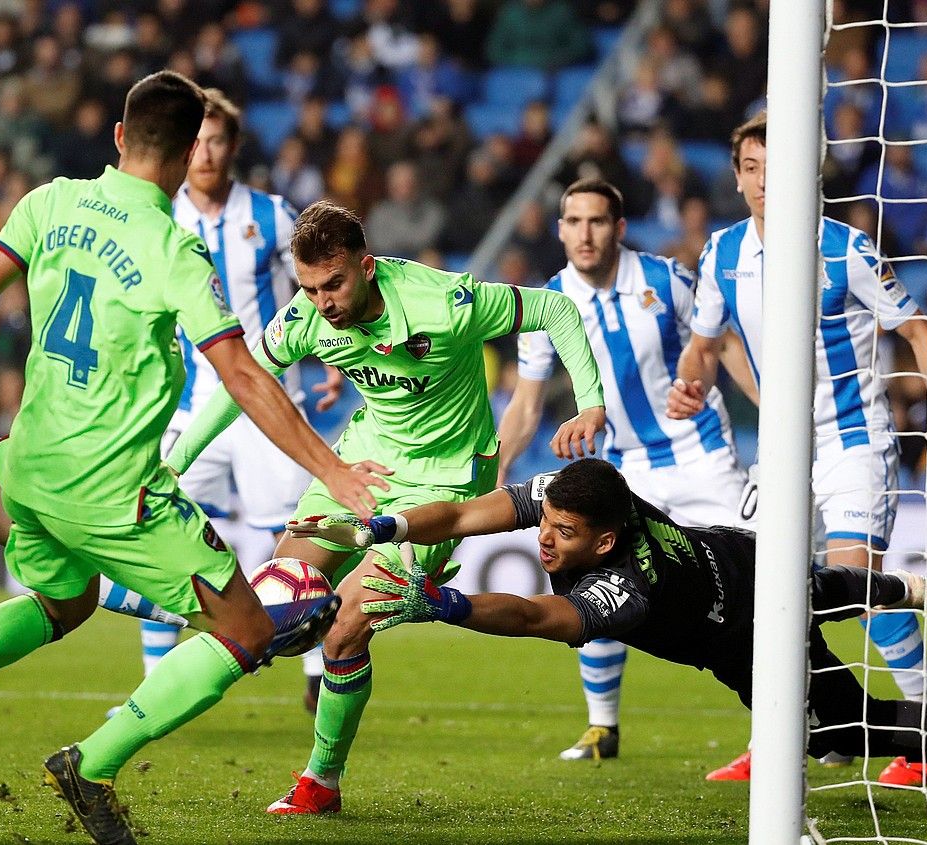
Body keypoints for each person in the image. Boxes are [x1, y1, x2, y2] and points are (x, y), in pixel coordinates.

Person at [0, 72, 388, 844]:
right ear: (189, 150)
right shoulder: (174, 250)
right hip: (113, 490)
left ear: (121, 136)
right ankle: (91, 763)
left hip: (25, 471)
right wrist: (333, 472)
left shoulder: (49, 202)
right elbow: (240, 372)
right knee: (245, 631)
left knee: (67, 602)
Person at [292, 459, 927, 821]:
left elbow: (545, 619)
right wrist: (387, 524)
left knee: (842, 726)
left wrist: (444, 601)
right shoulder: (586, 492)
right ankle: (897, 587)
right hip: (743, 554)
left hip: (744, 629)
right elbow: (470, 511)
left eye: (564, 534)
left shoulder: (627, 589)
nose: (546, 539)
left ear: (606, 542)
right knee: (816, 586)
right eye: (546, 523)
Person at [163, 199, 607, 814]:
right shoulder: (307, 318)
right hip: (365, 467)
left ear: (367, 267)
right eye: (310, 288)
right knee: (277, 591)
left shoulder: (444, 302)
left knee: (346, 628)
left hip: (446, 483)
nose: (324, 303)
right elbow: (243, 381)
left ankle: (321, 782)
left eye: (334, 284)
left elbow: (554, 308)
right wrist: (178, 460)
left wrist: (588, 400)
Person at [667, 111, 927, 788]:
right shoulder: (721, 254)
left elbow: (918, 329)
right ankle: (799, 732)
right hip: (781, 448)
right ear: (739, 176)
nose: (765, 180)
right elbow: (705, 344)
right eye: (752, 167)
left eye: (780, 166)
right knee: (762, 596)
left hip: (854, 442)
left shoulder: (847, 248)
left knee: (856, 587)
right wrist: (690, 383)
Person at [496, 178, 749, 761]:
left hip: (699, 454)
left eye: (598, 222)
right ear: (559, 229)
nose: (585, 234)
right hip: (619, 472)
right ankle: (602, 726)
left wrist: (776, 412)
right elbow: (527, 405)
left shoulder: (666, 279)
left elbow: (725, 345)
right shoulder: (546, 304)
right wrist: (499, 468)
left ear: (620, 228)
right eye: (574, 222)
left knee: (760, 587)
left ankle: (793, 724)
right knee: (596, 587)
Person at [136, 87, 343, 712]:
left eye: (217, 140)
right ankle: (155, 681)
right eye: (195, 142)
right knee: (155, 534)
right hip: (186, 408)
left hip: (265, 401)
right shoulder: (159, 216)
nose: (205, 153)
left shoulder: (275, 214)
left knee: (293, 531)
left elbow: (316, 289)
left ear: (234, 147)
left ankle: (313, 671)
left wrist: (327, 358)